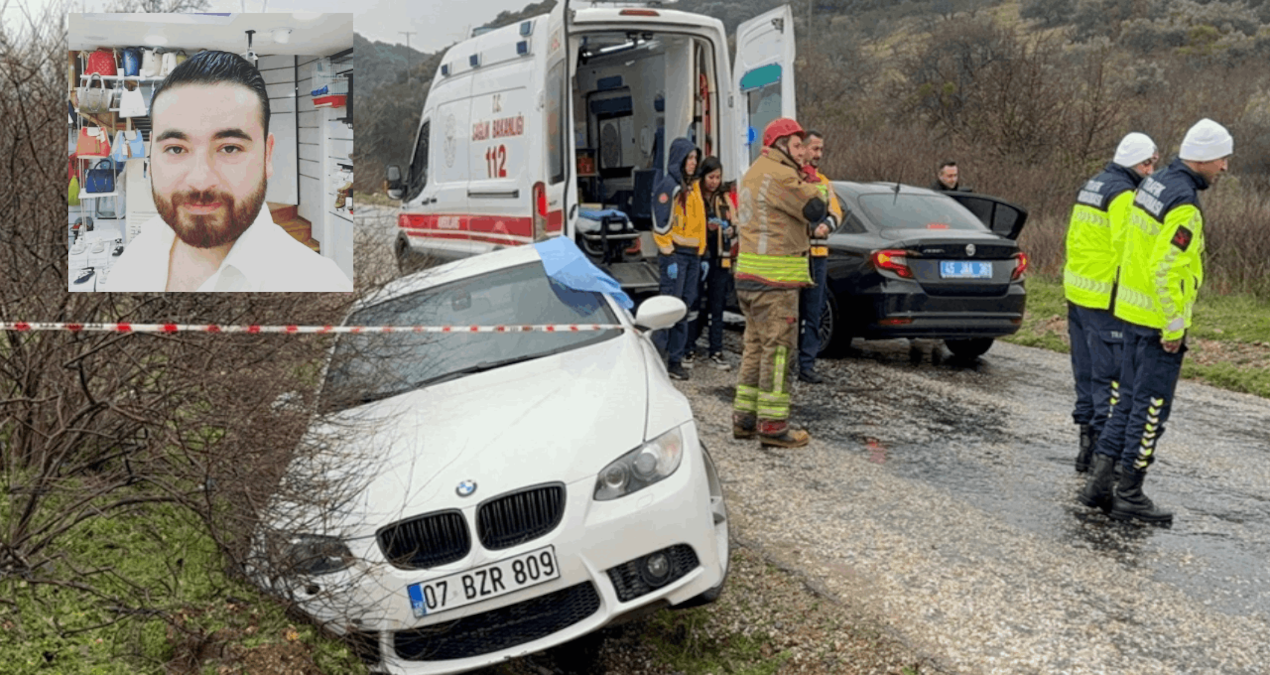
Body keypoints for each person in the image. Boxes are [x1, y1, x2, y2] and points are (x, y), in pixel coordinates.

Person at [1079, 118, 1232, 525]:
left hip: (1131, 311)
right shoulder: (1183, 203)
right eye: (1221, 158)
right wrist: (1174, 327)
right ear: (1203, 158)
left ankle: (1099, 484)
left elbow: (1133, 248)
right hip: (1156, 322)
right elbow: (1166, 270)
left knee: (1126, 402)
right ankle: (1130, 493)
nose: (1224, 167)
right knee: (1150, 412)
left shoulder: (1155, 182)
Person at [106, 51, 352, 292]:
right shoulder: (141, 249)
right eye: (176, 149)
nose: (200, 181)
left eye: (230, 148)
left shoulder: (319, 285)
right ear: (151, 154)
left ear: (267, 155)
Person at [1066, 132, 1159, 474]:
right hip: (1105, 296)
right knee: (1111, 378)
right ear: (1135, 163)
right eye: (1147, 164)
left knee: (1086, 373)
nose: (1150, 172)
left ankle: (1085, 450)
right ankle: (1106, 457)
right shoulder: (1122, 194)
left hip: (1078, 291)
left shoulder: (1092, 185)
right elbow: (1127, 248)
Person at [732, 118, 828, 448]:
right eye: (797, 145)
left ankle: (744, 419)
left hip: (749, 278)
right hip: (775, 282)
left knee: (755, 349)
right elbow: (816, 208)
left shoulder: (754, 172)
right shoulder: (782, 175)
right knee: (778, 353)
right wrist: (813, 181)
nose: (803, 152)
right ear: (780, 145)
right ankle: (773, 426)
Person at [652, 137, 705, 380]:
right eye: (689, 158)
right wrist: (668, 254)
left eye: (695, 158)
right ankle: (657, 358)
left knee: (684, 307)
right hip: (675, 256)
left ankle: (675, 359)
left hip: (692, 256)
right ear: (679, 159)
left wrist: (701, 253)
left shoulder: (693, 187)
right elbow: (660, 222)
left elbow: (699, 222)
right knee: (669, 307)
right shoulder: (670, 186)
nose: (693, 162)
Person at [796, 130, 844, 384]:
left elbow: (837, 212)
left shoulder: (825, 182)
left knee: (813, 313)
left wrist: (827, 224)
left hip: (818, 256)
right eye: (815, 149)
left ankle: (807, 365)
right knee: (790, 313)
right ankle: (787, 362)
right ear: (802, 149)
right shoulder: (793, 178)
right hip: (795, 255)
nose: (819, 154)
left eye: (821, 149)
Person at [684, 157, 735, 370]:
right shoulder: (693, 194)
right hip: (698, 256)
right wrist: (707, 228)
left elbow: (735, 221)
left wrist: (731, 229)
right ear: (703, 176)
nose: (714, 182)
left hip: (720, 258)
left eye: (718, 177)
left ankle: (717, 351)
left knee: (717, 306)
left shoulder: (723, 198)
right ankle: (688, 348)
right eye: (711, 177)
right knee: (694, 304)